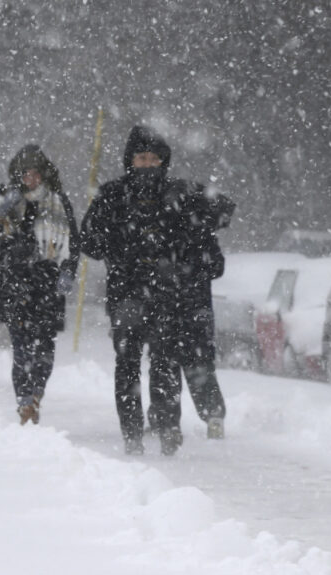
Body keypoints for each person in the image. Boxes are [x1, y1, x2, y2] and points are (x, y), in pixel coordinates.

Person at [80, 125, 233, 456]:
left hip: (167, 296)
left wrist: (200, 222)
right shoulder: (113, 195)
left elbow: (221, 211)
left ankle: (167, 427)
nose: (147, 164)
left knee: (164, 362)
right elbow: (89, 240)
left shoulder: (178, 194)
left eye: (153, 158)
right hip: (127, 294)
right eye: (141, 158)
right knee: (128, 364)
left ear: (163, 162)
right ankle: (132, 432)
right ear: (130, 161)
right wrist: (116, 246)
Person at [0, 144, 80, 425]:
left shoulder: (58, 201)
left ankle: (36, 393)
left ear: (44, 174)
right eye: (23, 173)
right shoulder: (4, 197)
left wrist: (68, 270)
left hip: (46, 283)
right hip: (14, 281)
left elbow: (73, 242)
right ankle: (24, 400)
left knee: (45, 345)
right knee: (21, 346)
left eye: (34, 173)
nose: (29, 178)